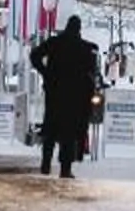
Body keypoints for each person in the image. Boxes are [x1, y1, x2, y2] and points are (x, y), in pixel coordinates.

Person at [28, 16, 99, 179]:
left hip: (55, 92)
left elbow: (34, 55)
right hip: (75, 96)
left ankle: (45, 164)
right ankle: (65, 169)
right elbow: (91, 73)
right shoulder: (85, 48)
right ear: (79, 29)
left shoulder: (55, 43)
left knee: (50, 128)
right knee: (68, 133)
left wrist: (45, 73)